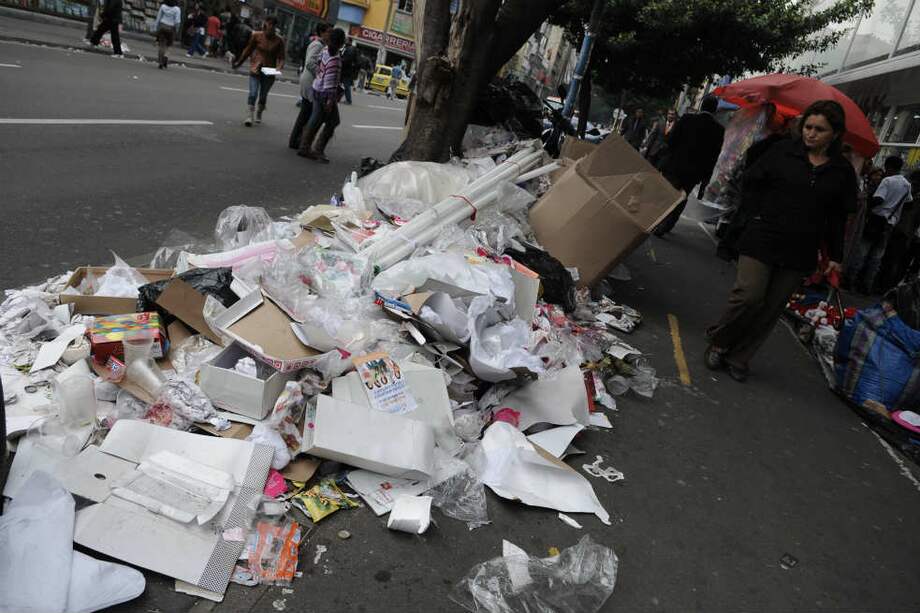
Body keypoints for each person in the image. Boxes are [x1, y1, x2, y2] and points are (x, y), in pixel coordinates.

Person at [705, 100, 857, 382]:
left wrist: (835, 256)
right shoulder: (781, 151)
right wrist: (755, 216)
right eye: (808, 127)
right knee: (749, 296)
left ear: (835, 134)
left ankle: (740, 357)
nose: (810, 133)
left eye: (819, 129)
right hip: (761, 237)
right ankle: (720, 340)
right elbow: (750, 181)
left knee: (771, 308)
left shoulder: (842, 172)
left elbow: (838, 218)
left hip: (800, 249)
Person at [653, 96, 725, 236]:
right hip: (694, 173)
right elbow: (713, 156)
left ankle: (657, 221)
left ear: (701, 106)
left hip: (675, 166)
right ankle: (668, 224)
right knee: (681, 198)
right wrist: (705, 179)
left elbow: (671, 141)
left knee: (668, 194)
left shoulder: (687, 119)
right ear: (715, 110)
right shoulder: (718, 130)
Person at [849, 155, 913, 294]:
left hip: (876, 220)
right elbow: (909, 203)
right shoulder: (907, 185)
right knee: (877, 256)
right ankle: (867, 285)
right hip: (890, 224)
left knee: (863, 251)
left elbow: (878, 199)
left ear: (888, 166)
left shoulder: (887, 181)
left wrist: (869, 205)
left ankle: (851, 281)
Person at [298, 27, 345, 163]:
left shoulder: (324, 51)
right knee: (332, 120)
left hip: (317, 88)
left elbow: (319, 65)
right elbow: (330, 83)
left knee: (316, 119)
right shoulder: (335, 59)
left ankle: (306, 146)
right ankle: (316, 149)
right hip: (325, 93)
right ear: (341, 43)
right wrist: (330, 100)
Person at [232, 16, 285, 127]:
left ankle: (260, 111)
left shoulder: (279, 40)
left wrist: (279, 67)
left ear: (275, 27)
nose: (270, 27)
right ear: (265, 24)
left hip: (269, 71)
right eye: (268, 24)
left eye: (272, 25)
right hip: (256, 68)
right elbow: (247, 51)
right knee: (253, 93)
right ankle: (249, 115)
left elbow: (281, 58)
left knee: (263, 96)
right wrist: (238, 63)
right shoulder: (256, 36)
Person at [289, 23, 330, 150]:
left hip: (310, 81)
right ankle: (296, 140)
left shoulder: (321, 45)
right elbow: (310, 63)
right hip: (310, 82)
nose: (330, 34)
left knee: (305, 112)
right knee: (307, 113)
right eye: (329, 31)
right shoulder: (317, 45)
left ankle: (296, 140)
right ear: (322, 32)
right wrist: (322, 73)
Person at [153, 0, 181, 69]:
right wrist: (177, 30)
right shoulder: (177, 9)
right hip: (171, 28)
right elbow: (177, 21)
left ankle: (160, 62)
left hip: (162, 26)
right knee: (169, 45)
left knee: (161, 45)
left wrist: (155, 27)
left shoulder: (163, 6)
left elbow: (158, 17)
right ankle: (166, 56)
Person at [340, 39, 358, 105]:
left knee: (346, 85)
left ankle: (348, 100)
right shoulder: (347, 48)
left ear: (350, 42)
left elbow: (347, 60)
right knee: (343, 85)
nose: (345, 41)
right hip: (346, 70)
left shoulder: (350, 49)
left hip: (346, 70)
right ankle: (342, 98)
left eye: (347, 40)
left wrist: (341, 60)